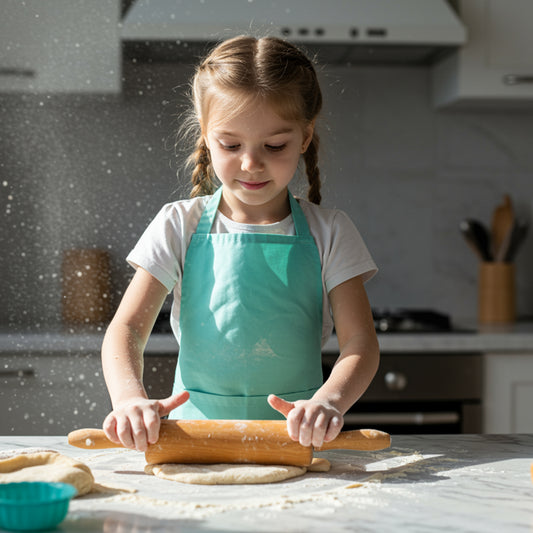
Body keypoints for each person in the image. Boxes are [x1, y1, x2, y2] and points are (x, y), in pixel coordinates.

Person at [101, 35, 379, 453]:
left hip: (294, 444)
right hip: (191, 444)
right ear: (207, 136)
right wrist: (128, 400)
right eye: (231, 145)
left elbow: (361, 344)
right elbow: (126, 329)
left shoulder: (332, 231)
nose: (251, 163)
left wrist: (327, 402)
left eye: (275, 145)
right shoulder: (178, 225)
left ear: (305, 137)